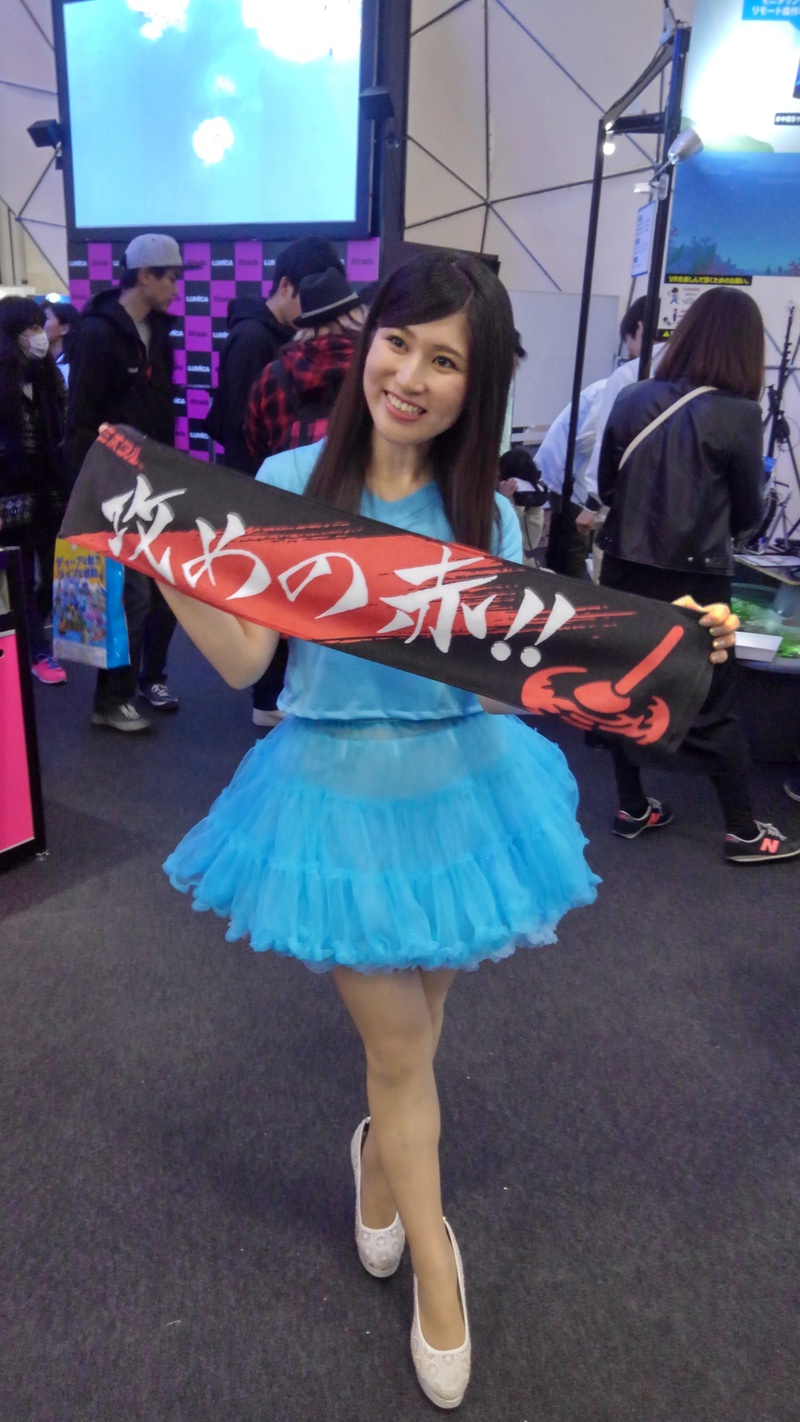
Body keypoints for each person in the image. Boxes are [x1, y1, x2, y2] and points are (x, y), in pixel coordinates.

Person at [154, 251, 738, 1409]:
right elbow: (241, 659)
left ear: (476, 386)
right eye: (397, 343)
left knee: (417, 1034)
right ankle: (438, 1266)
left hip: (463, 789)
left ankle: (377, 1162)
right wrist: (167, 557)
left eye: (443, 360)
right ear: (362, 341)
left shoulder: (486, 513)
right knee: (400, 1052)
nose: (409, 377)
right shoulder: (287, 483)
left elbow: (506, 683)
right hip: (334, 795)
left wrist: (652, 641)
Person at [597, 285, 800, 865]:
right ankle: (743, 830)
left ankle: (632, 807)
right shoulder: (739, 414)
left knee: (620, 686)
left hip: (622, 569)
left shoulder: (632, 397)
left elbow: (608, 487)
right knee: (714, 698)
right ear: (743, 348)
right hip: (697, 582)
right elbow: (749, 515)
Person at [65, 233, 183, 732]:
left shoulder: (160, 332)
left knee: (150, 595)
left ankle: (131, 687)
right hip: (112, 489)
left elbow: (162, 410)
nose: (176, 287)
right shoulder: (96, 334)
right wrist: (90, 496)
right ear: (144, 275)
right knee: (124, 597)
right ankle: (111, 701)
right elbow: (80, 422)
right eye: (170, 277)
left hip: (152, 486)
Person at [243, 265, 367, 727]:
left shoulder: (274, 372)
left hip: (286, 496)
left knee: (278, 594)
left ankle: (268, 700)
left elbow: (253, 438)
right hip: (356, 495)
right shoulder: (370, 367)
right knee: (349, 592)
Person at [204, 237, 345, 475]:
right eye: (308, 298)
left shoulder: (290, 334)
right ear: (285, 286)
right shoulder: (250, 338)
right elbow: (241, 426)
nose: (316, 310)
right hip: (253, 478)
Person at [0, 295, 68, 684]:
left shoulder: (47, 377)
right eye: (30, 328)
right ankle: (38, 652)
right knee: (22, 576)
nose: (39, 335)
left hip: (50, 491)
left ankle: (29, 635)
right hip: (10, 496)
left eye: (40, 326)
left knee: (58, 572)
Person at [534, 377, 607, 578]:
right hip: (572, 482)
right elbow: (587, 441)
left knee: (563, 550)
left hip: (574, 480)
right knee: (571, 553)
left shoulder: (610, 387)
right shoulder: (609, 390)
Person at [497, 445, 548, 565]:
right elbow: (504, 541)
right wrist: (504, 502)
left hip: (516, 558)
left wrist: (535, 508)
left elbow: (529, 544)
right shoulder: (491, 500)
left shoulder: (520, 499)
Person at [42, 300, 81, 387]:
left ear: (64, 329)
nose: (38, 324)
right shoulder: (39, 363)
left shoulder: (73, 369)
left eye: (45, 318)